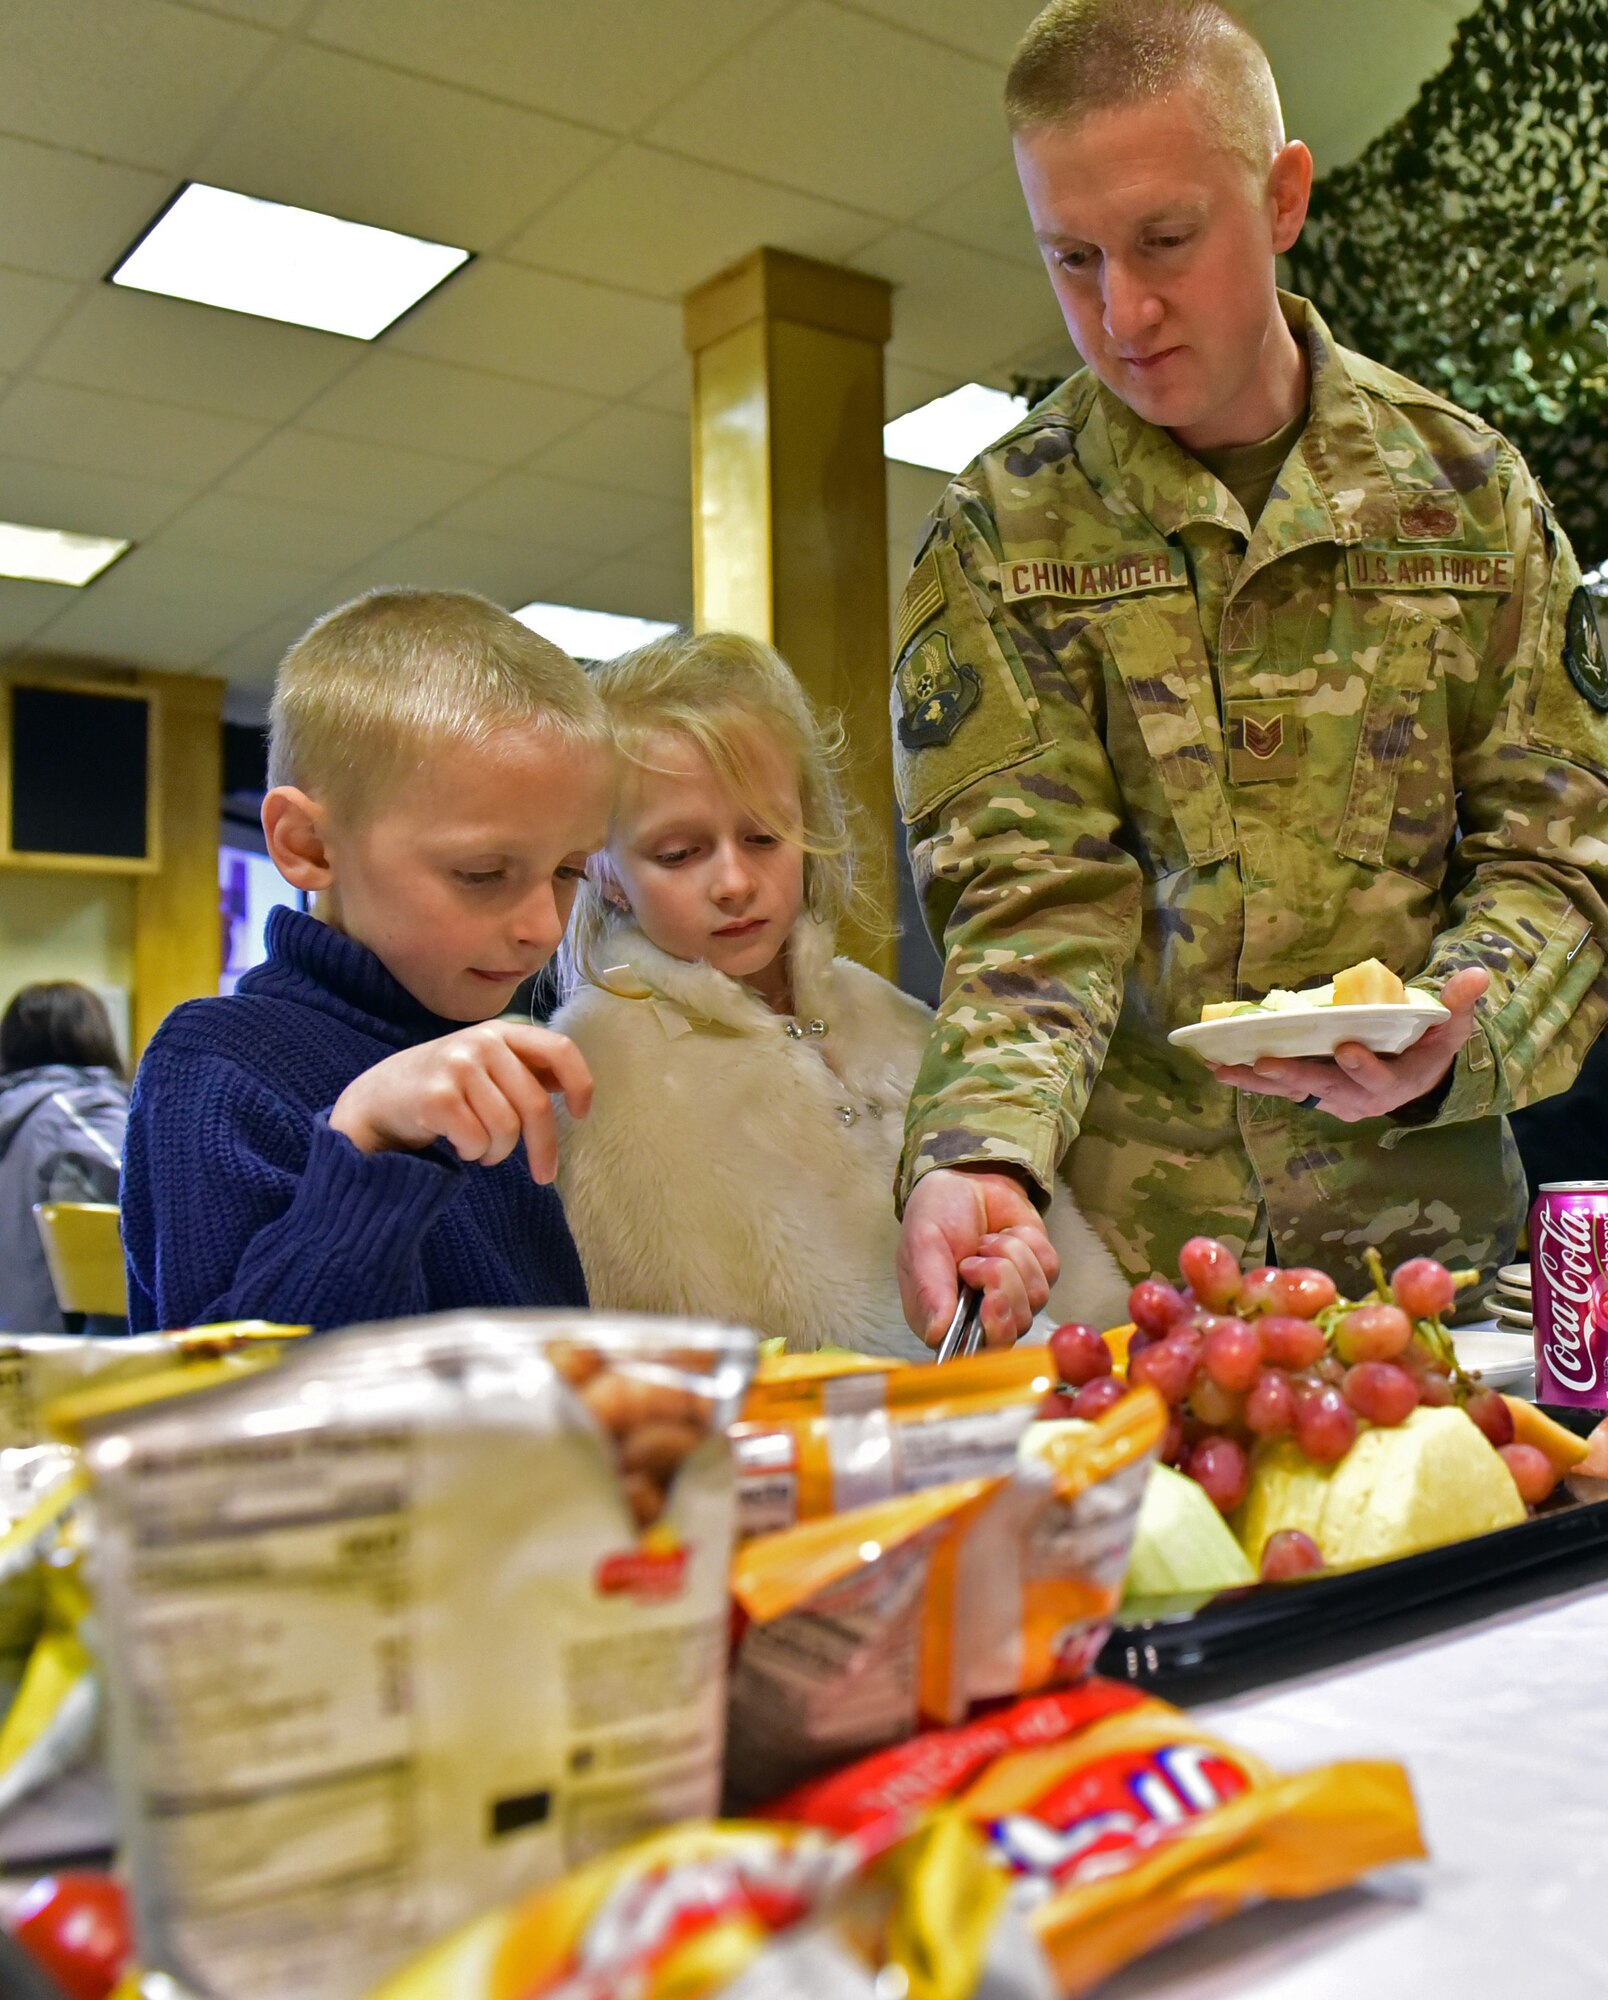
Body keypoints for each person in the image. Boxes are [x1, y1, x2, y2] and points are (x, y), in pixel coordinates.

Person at [893, 0, 1608, 1349]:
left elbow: (1560, 853)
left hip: (1432, 1254)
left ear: (1282, 199)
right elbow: (1033, 901)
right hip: (1139, 1265)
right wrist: (979, 1152)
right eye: (1073, 257)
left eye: (1168, 240)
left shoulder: (1467, 492)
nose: (1124, 311)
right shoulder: (1005, 529)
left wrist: (1471, 1017)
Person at [551, 630, 1129, 1358]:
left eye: (763, 838)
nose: (733, 881)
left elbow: (1068, 1280)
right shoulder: (598, 1071)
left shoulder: (880, 1009)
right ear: (601, 870)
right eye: (679, 853)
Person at [121, 588, 614, 1334]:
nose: (541, 927)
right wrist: (368, 1146)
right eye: (481, 873)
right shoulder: (215, 1063)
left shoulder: (487, 1054)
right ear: (308, 846)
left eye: (569, 871)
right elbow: (236, 1414)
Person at [0, 982, 128, 1333]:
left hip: (15, 1349)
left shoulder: (14, 1114)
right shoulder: (77, 1112)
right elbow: (148, 1203)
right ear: (95, 1036)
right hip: (74, 1357)